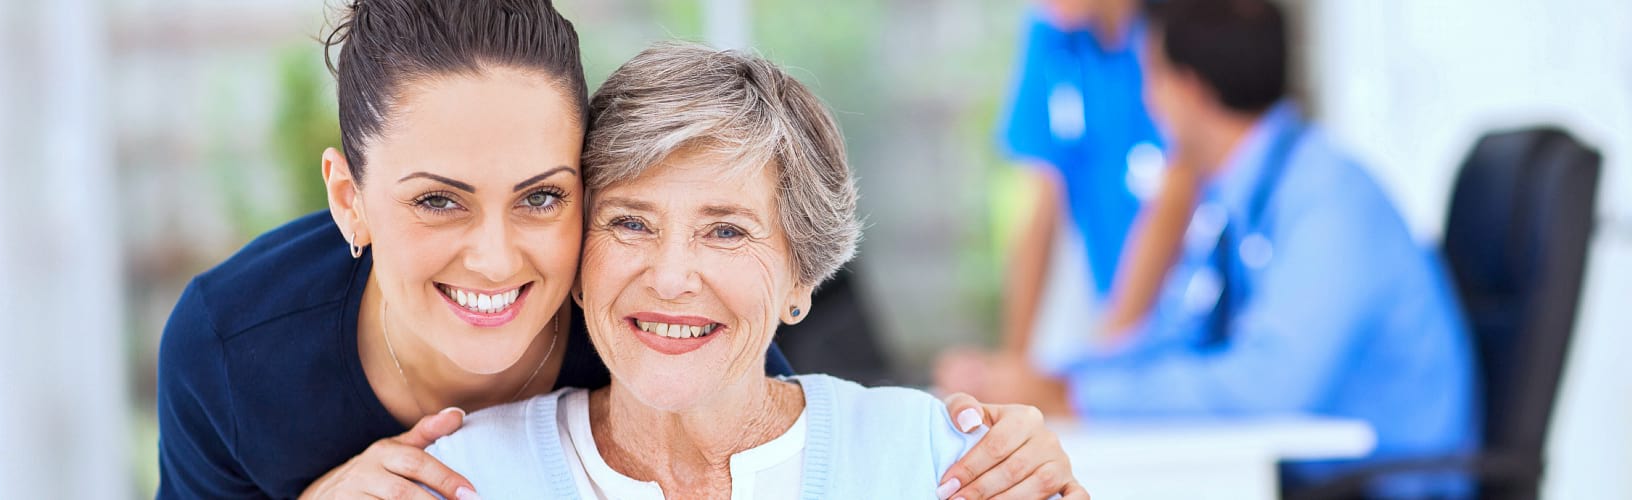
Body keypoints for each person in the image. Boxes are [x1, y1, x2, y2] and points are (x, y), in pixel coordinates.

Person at [154, 1, 1079, 498]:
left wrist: (1024, 459)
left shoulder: (656, 328)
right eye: (438, 200)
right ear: (349, 199)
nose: (495, 256)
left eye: (543, 197)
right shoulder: (231, 348)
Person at [428, 42, 1087, 500]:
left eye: (725, 231)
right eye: (630, 223)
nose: (671, 276)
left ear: (800, 277)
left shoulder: (937, 458)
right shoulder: (458, 477)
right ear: (576, 261)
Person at [955, 0, 1480, 496]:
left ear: (1189, 89)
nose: (1146, 100)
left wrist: (1073, 396)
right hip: (1318, 476)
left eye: (1151, 78)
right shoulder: (1242, 195)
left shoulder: (1329, 199)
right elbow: (1180, 335)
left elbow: (1266, 385)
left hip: (1389, 485)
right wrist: (1054, 378)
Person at [934, 0, 1200, 392]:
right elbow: (1040, 205)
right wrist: (1013, 370)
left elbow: (1175, 197)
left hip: (1184, 320)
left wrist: (1106, 362)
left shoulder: (1175, 34)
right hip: (1110, 313)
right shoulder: (1051, 33)